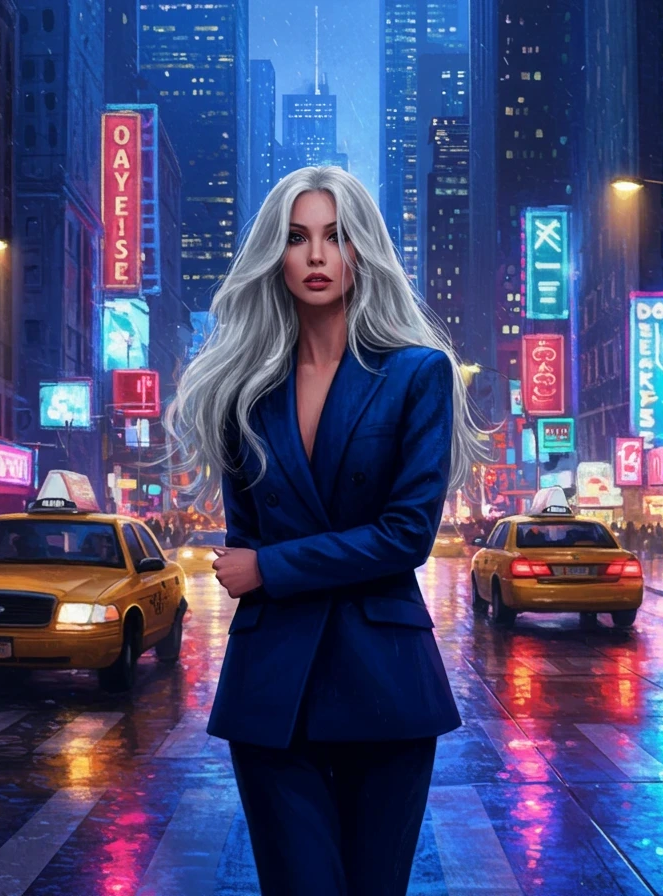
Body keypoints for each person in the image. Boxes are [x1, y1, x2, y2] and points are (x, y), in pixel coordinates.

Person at [166, 166, 486, 896]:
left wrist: (270, 571)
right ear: (274, 259)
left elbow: (406, 535)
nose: (316, 256)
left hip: (385, 682)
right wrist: (258, 563)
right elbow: (245, 539)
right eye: (297, 238)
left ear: (362, 252)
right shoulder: (241, 390)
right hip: (273, 687)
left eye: (335, 237)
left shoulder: (418, 374)